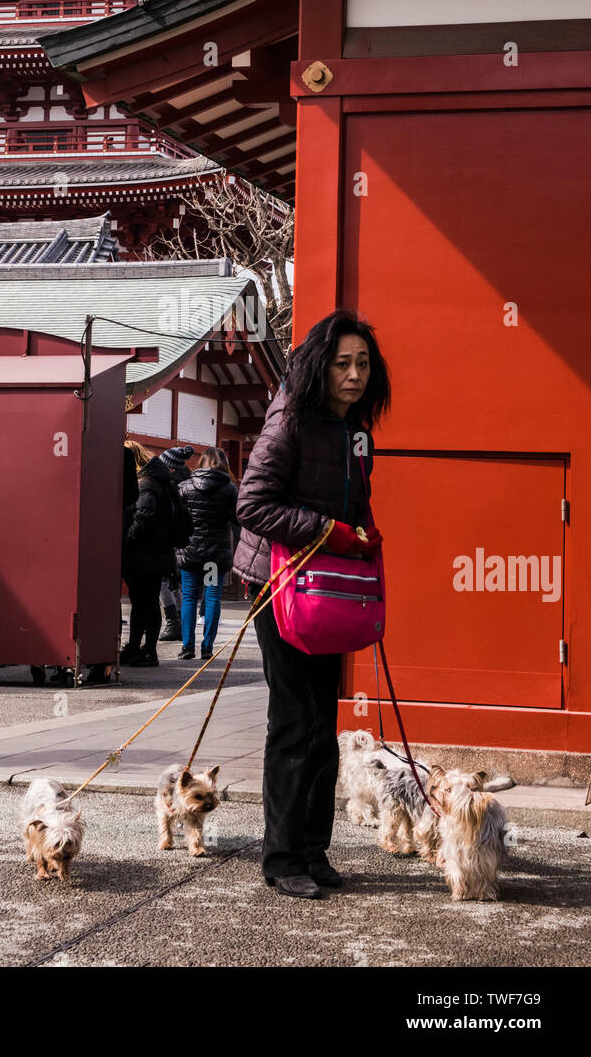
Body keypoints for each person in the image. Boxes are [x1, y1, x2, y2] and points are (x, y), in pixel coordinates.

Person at [233, 309, 390, 899]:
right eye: (342, 363)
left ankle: (313, 850)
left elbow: (354, 505)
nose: (353, 374)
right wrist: (329, 530)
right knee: (295, 722)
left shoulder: (357, 430)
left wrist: (363, 536)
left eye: (363, 363)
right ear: (319, 367)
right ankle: (281, 857)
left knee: (325, 725)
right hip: (278, 587)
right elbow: (253, 505)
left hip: (325, 590)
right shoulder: (290, 420)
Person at [176, 447, 238, 660]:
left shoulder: (185, 487)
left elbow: (177, 518)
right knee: (211, 599)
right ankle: (207, 647)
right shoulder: (230, 489)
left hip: (190, 553)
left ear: (201, 462)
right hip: (213, 556)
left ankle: (187, 646)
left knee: (189, 599)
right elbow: (237, 521)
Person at [121, 439, 178, 667]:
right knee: (144, 602)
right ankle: (138, 646)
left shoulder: (145, 483)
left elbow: (144, 514)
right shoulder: (159, 480)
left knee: (146, 602)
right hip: (157, 552)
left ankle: (147, 650)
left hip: (146, 553)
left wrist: (127, 540)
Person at [157, 445, 195, 641]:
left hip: (172, 540)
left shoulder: (170, 487)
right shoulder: (189, 483)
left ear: (170, 467)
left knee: (165, 582)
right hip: (189, 540)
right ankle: (179, 622)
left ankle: (173, 622)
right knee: (175, 584)